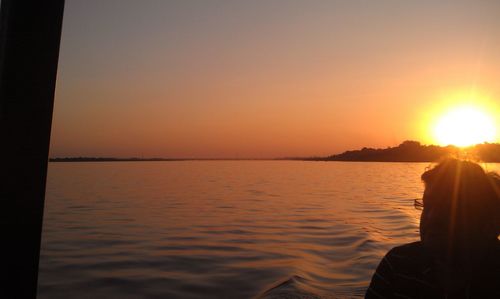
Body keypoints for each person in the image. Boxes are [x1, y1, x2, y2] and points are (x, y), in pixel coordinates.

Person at [366, 158, 500, 298]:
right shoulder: (399, 263)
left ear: (491, 224)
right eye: (427, 205)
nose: (431, 217)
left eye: (448, 208)